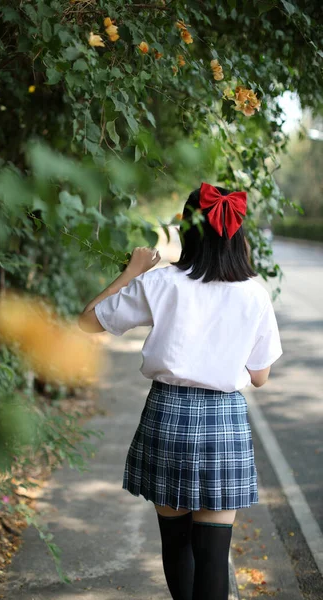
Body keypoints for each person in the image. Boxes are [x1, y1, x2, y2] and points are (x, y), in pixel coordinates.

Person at [78, 182, 283, 600]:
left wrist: (132, 271)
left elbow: (88, 321)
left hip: (167, 418)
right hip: (223, 426)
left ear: (188, 228)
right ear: (237, 231)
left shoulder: (161, 283)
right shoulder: (255, 295)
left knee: (176, 545)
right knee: (213, 555)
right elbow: (259, 376)